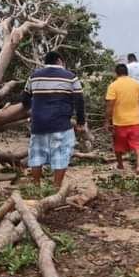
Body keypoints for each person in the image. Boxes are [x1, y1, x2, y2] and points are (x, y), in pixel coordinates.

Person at [21, 51, 85, 188]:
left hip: (38, 125)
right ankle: (56, 187)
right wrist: (80, 122)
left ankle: (36, 186)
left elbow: (24, 99)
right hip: (61, 124)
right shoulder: (71, 77)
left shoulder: (34, 77)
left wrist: (34, 112)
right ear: (59, 60)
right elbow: (80, 101)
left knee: (36, 155)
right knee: (61, 155)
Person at [105, 64, 139, 175]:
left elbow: (110, 105)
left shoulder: (113, 85)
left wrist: (107, 121)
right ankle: (138, 167)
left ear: (116, 73)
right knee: (138, 145)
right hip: (135, 121)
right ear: (127, 72)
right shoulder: (136, 83)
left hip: (119, 122)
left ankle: (120, 165)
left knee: (118, 145)